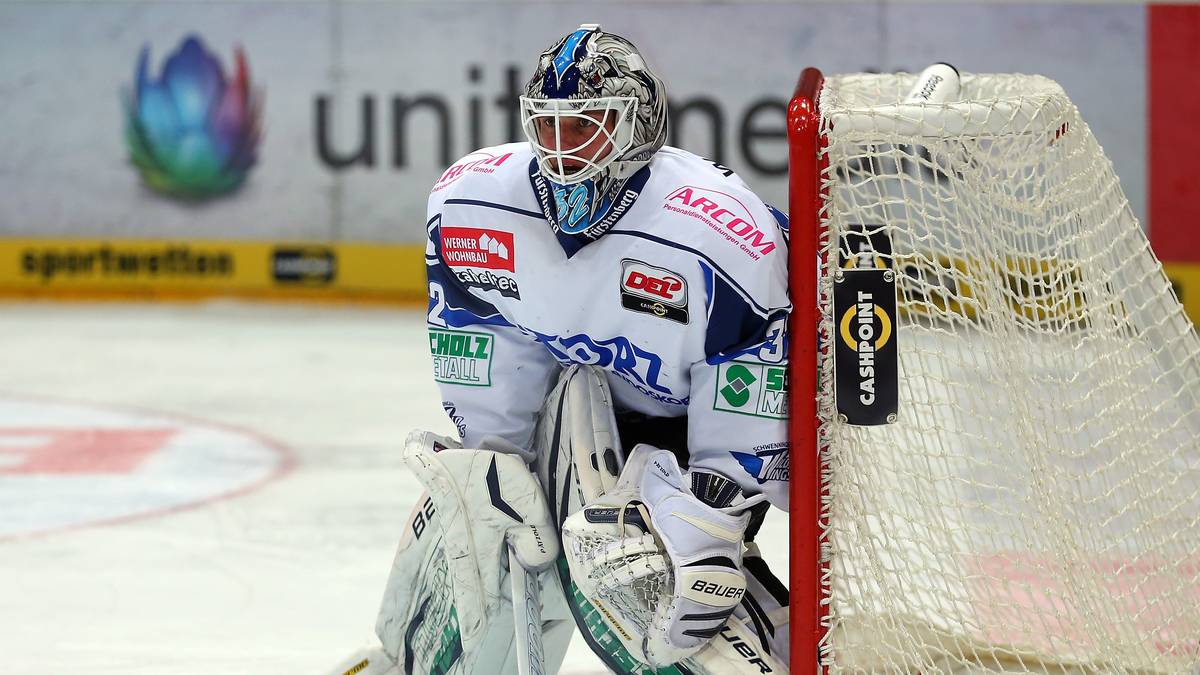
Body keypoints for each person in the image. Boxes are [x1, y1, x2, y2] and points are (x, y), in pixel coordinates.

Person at [326, 23, 791, 675]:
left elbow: (754, 368)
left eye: (588, 125)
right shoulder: (474, 201)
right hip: (584, 409)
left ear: (639, 124)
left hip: (706, 438)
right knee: (472, 510)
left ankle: (774, 641)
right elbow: (485, 346)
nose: (564, 149)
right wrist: (495, 467)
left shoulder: (715, 230)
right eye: (551, 126)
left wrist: (714, 516)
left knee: (643, 580)